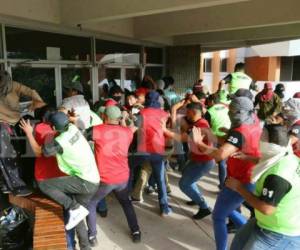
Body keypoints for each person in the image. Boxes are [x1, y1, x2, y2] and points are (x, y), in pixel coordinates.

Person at [20, 111, 100, 250]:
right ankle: (85, 247)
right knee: (78, 215)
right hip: (92, 178)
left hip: (84, 182)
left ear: (53, 128)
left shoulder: (60, 142)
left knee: (43, 184)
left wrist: (28, 132)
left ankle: (73, 208)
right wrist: (70, 115)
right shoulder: (73, 128)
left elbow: (39, 152)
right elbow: (74, 120)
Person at [192, 93, 262, 250]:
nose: (229, 113)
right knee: (227, 210)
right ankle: (250, 234)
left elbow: (219, 155)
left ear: (241, 112)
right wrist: (211, 134)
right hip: (248, 177)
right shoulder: (255, 121)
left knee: (218, 216)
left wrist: (199, 144)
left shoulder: (240, 130)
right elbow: (231, 141)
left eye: (232, 110)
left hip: (240, 180)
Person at [228, 125, 300, 250]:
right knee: (238, 244)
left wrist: (239, 187)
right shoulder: (287, 155)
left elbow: (267, 208)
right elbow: (270, 160)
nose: (258, 141)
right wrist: (248, 158)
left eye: (261, 138)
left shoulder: (277, 176)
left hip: (277, 232)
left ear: (268, 145)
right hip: (265, 222)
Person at [86, 106, 141, 246]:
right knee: (126, 202)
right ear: (118, 119)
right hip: (123, 177)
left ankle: (92, 236)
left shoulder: (97, 130)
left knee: (91, 203)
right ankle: (136, 232)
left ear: (104, 117)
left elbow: (81, 136)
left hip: (106, 179)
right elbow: (134, 126)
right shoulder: (127, 132)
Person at [163, 102, 215, 219]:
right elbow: (183, 131)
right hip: (197, 159)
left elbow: (183, 138)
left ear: (193, 112)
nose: (186, 115)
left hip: (204, 161)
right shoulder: (197, 123)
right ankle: (196, 198)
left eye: (187, 112)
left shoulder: (200, 125)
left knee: (184, 184)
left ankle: (204, 207)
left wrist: (165, 130)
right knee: (188, 179)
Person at [0, 70, 45, 197]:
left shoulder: (13, 85)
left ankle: (8, 183)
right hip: (3, 123)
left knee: (16, 152)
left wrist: (37, 103)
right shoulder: (12, 85)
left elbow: (31, 92)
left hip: (13, 122)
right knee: (7, 154)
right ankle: (16, 186)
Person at [131, 91, 172, 216]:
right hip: (157, 150)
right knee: (160, 179)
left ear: (147, 100)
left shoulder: (141, 113)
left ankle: (125, 194)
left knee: (128, 168)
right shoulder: (164, 114)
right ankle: (164, 207)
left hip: (142, 151)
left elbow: (133, 129)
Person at [205, 94, 231, 188]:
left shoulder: (209, 112)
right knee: (225, 162)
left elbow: (206, 127)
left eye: (208, 102)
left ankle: (222, 185)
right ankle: (224, 184)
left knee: (221, 162)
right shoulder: (226, 107)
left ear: (211, 101)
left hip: (217, 138)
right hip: (228, 135)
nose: (207, 104)